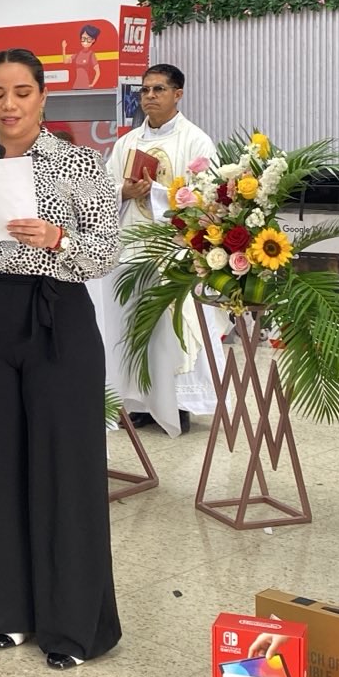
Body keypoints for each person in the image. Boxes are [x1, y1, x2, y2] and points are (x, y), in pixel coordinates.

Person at [0, 48, 123, 670]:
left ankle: (72, 626)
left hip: (56, 315)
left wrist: (57, 237)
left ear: (42, 97)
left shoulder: (79, 164)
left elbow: (105, 251)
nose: (8, 105)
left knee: (65, 466)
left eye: (21, 92)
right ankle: (6, 609)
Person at [105, 63, 219, 436]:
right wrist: (124, 191)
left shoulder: (196, 141)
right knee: (133, 325)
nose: (150, 96)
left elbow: (207, 198)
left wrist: (154, 191)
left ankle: (179, 403)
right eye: (145, 90)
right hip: (132, 249)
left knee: (175, 328)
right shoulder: (126, 143)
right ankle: (138, 402)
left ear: (178, 94)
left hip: (175, 250)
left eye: (158, 89)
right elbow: (105, 190)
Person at [62, 24, 103, 90]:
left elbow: (98, 72)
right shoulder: (78, 54)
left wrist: (92, 84)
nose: (85, 41)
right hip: (76, 85)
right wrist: (64, 48)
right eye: (83, 38)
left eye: (88, 39)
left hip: (86, 86)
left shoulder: (91, 54)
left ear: (93, 40)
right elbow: (65, 61)